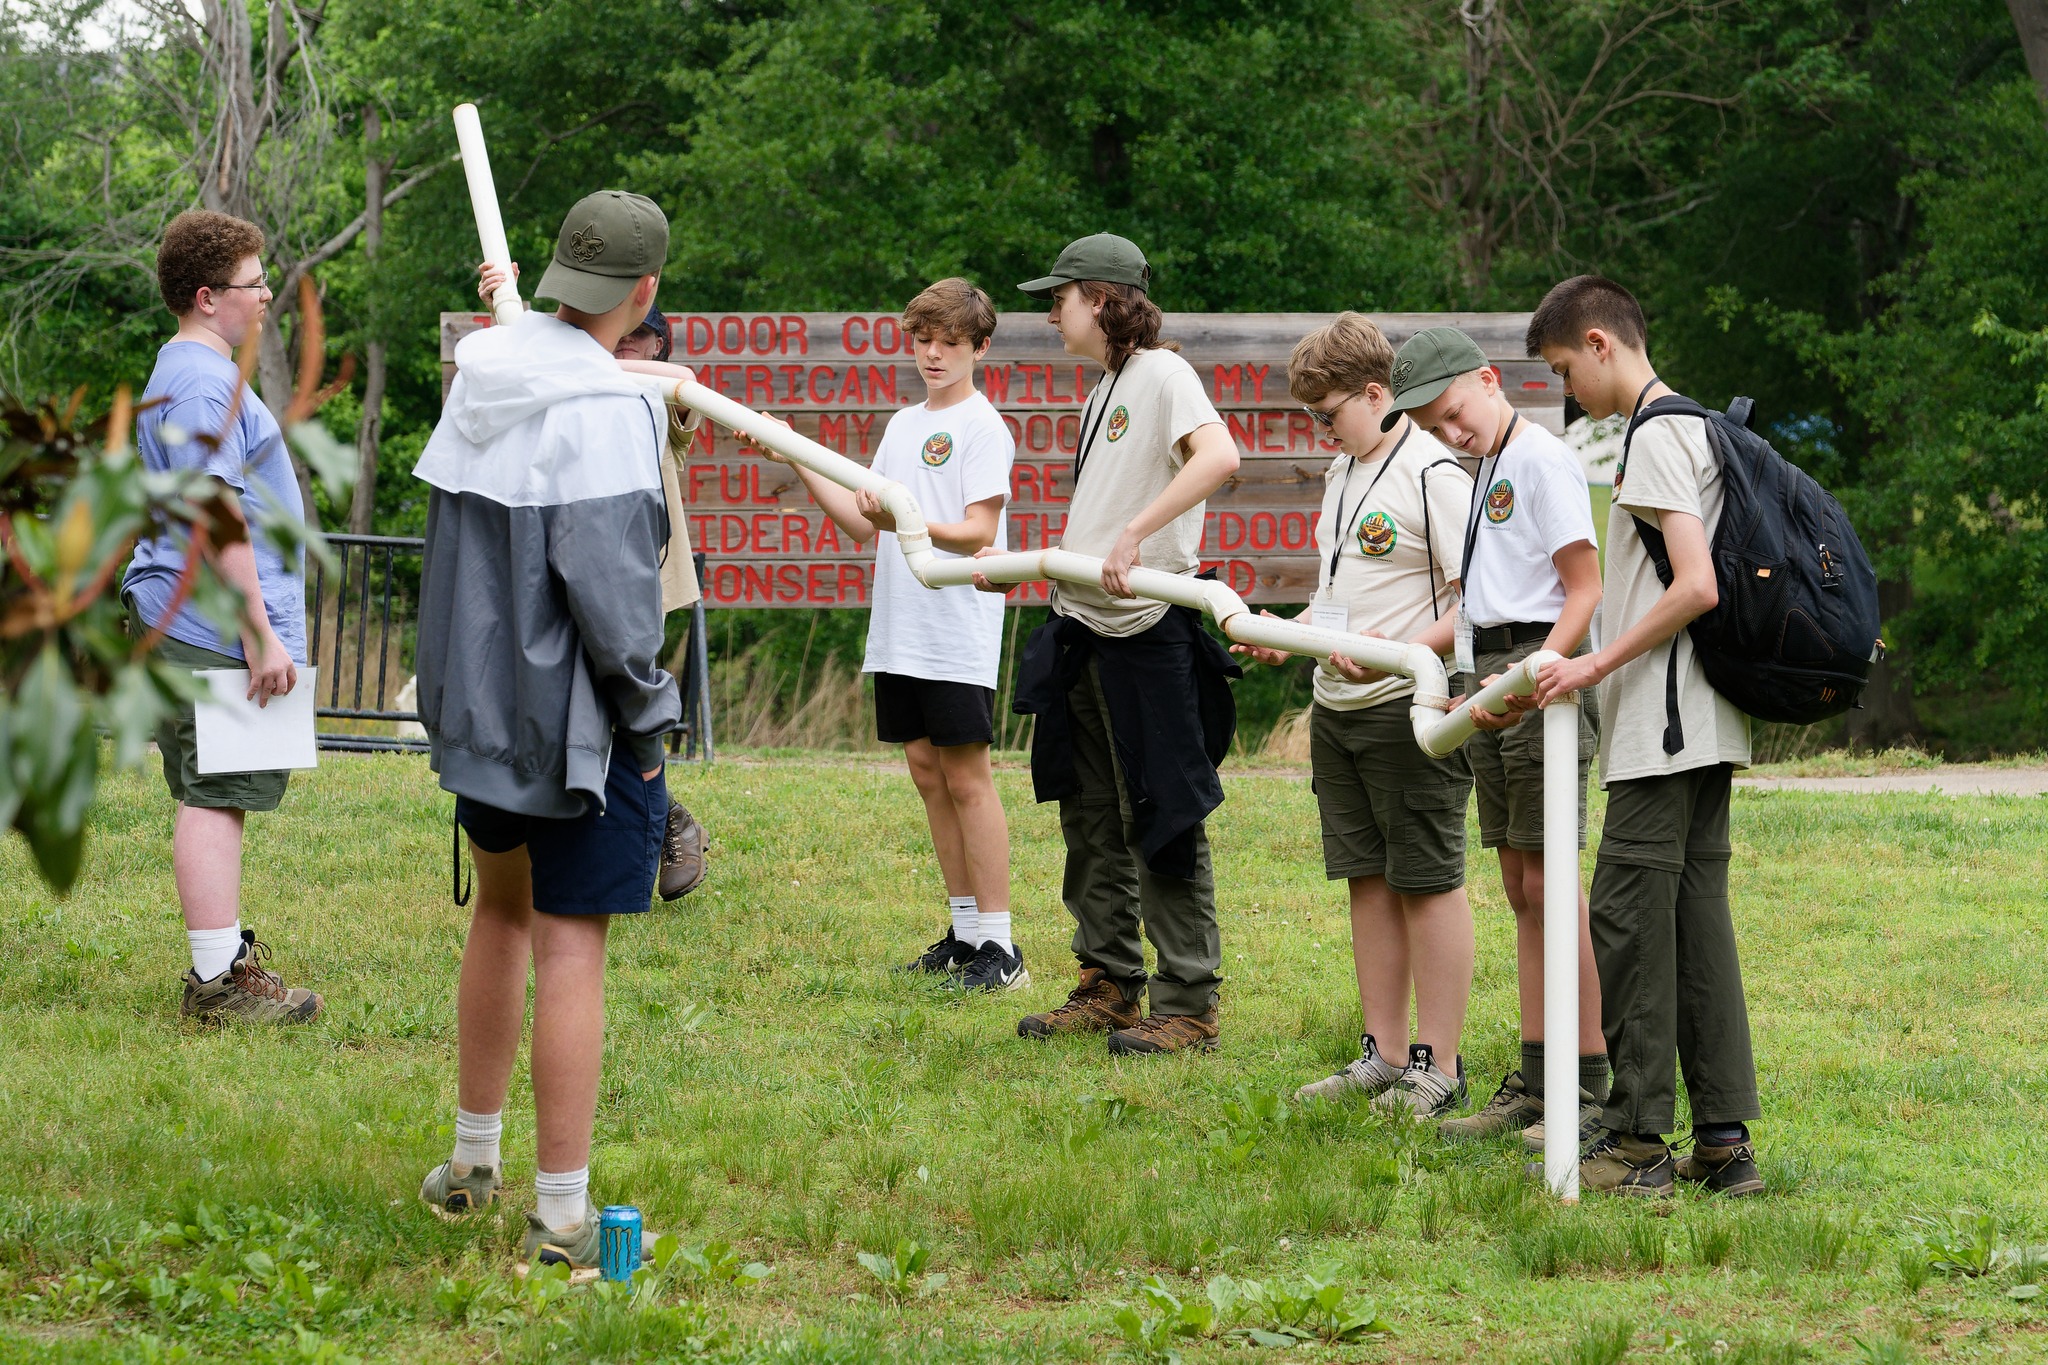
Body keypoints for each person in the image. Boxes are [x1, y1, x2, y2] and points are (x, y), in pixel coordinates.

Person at [414, 190, 689, 1274]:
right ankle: (564, 1221)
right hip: (576, 727)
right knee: (571, 944)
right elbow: (616, 605)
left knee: (500, 912)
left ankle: (470, 1163)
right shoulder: (608, 409)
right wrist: (649, 723)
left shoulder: (483, 375)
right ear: (645, 289)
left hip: (479, 713)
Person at [1527, 274, 1764, 1198]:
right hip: (1707, 723)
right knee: (1697, 924)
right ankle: (1723, 1143)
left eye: (1563, 369)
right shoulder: (1694, 426)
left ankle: (1635, 1143)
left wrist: (1592, 663)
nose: (1565, 390)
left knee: (1626, 919)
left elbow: (1696, 584)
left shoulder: (1658, 432)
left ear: (1600, 343)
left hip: (1663, 729)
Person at [998, 233, 1242, 1055]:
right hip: (1082, 629)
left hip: (1147, 632)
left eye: (1059, 298)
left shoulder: (1165, 375)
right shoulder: (1103, 388)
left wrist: (1138, 533)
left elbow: (1220, 455)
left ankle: (1190, 1005)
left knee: (1162, 815)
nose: (1051, 313)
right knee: (1091, 815)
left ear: (1100, 300)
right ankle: (1108, 982)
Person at [1231, 314, 1476, 1114]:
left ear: (1376, 394)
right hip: (1335, 710)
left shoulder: (1434, 473)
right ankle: (1384, 1052)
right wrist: (1289, 634)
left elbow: (1474, 604)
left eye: (1329, 413)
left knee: (1426, 881)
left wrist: (1397, 650)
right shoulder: (1342, 471)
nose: (1322, 430)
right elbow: (1339, 598)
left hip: (1409, 709)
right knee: (1366, 880)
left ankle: (1439, 1065)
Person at [1380, 326, 1609, 1149]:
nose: (1451, 432)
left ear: (1486, 378)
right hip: (1492, 675)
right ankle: (1539, 1077)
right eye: (1433, 427)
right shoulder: (1484, 467)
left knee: (1551, 883)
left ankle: (1588, 1081)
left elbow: (1584, 589)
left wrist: (1539, 673)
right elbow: (1481, 602)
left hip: (1538, 675)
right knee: (1519, 884)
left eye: (1452, 413)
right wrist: (1450, 666)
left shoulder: (1541, 457)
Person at [761, 279, 1022, 991]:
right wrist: (796, 454)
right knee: (926, 770)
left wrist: (903, 518)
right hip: (902, 625)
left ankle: (1002, 948)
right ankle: (965, 934)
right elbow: (859, 520)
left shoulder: (983, 426)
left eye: (950, 343)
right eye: (923, 340)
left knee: (967, 778)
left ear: (979, 348)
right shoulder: (904, 424)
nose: (933, 354)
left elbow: (978, 530)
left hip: (955, 627)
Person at [122, 209, 320, 1024]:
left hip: (190, 617)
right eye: (254, 282)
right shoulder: (204, 382)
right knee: (215, 794)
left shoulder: (186, 369)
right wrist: (259, 634)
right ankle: (216, 985)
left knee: (216, 791)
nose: (267, 295)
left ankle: (224, 956)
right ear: (207, 296)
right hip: (212, 624)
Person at [476, 264, 708, 902]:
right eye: (618, 338)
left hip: (638, 579)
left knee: (625, 705)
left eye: (639, 341)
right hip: (574, 568)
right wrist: (506, 304)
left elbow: (684, 382)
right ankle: (655, 817)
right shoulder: (574, 384)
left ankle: (660, 822)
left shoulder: (659, 395)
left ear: (657, 344)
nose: (623, 350)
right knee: (586, 706)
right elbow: (519, 365)